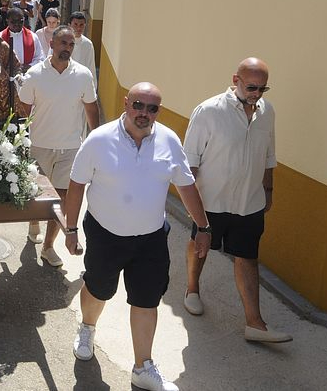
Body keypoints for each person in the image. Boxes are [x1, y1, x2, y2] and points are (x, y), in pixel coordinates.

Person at [64, 82, 211, 391]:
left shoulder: (169, 140)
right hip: (106, 234)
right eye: (139, 105)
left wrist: (203, 227)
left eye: (152, 108)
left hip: (151, 239)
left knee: (147, 299)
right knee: (99, 289)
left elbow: (186, 186)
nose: (144, 113)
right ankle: (88, 327)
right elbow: (77, 184)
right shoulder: (99, 140)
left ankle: (143, 367)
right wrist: (72, 228)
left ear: (158, 111)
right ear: (126, 103)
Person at [182, 58, 291, 343]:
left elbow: (268, 154)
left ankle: (255, 323)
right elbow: (189, 162)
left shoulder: (267, 113)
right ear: (236, 80)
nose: (256, 94)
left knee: (248, 257)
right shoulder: (208, 111)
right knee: (200, 247)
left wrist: (268, 190)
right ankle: (192, 289)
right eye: (251, 87)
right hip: (212, 202)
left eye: (262, 88)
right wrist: (192, 204)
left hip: (249, 203)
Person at [18, 26, 99, 267]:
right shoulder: (34, 75)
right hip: (39, 147)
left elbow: (91, 108)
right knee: (35, 196)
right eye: (63, 43)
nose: (67, 48)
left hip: (71, 147)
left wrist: (96, 141)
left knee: (62, 200)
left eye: (71, 44)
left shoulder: (84, 75)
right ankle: (33, 222)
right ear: (51, 44)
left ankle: (48, 247)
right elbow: (23, 110)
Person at [0, 7, 44, 73]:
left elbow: (40, 58)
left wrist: (30, 66)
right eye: (13, 22)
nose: (17, 24)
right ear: (7, 21)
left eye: (20, 21)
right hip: (7, 78)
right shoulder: (0, 38)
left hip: (27, 77)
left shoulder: (33, 37)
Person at [69, 11, 97, 87]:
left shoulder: (88, 44)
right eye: (75, 24)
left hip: (80, 85)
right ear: (69, 25)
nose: (78, 28)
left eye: (81, 25)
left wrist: (93, 89)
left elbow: (91, 68)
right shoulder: (61, 41)